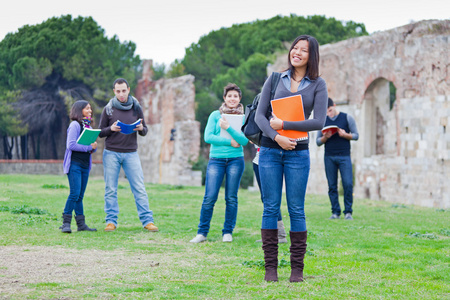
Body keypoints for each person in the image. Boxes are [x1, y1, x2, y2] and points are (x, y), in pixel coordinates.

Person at [255, 35, 328, 282]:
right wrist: (277, 137)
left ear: (312, 55)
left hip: (298, 152)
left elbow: (318, 121)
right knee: (270, 207)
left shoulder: (318, 84)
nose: (297, 52)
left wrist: (285, 124)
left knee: (297, 209)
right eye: (295, 48)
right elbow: (260, 117)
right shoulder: (275, 78)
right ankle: (270, 269)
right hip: (269, 150)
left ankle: (297, 270)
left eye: (303, 50)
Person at [190, 83, 248, 243]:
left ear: (239, 99)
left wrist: (228, 128)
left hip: (236, 160)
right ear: (224, 98)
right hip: (216, 160)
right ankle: (202, 233)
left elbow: (244, 140)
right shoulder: (215, 115)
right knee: (209, 197)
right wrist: (230, 142)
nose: (232, 99)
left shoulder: (243, 117)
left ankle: (227, 232)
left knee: (231, 197)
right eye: (229, 96)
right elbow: (208, 137)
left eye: (235, 96)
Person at [98, 78, 158, 232]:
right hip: (111, 153)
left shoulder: (136, 107)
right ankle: (111, 221)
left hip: (131, 154)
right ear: (114, 91)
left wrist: (139, 128)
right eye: (118, 91)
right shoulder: (108, 109)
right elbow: (100, 132)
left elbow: (144, 130)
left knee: (139, 187)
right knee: (110, 188)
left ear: (128, 89)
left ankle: (147, 221)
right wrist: (111, 129)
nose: (121, 94)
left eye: (124, 90)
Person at [316, 98, 359, 220]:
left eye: (330, 110)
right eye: (326, 112)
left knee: (348, 183)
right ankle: (335, 212)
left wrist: (345, 135)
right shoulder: (323, 121)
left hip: (344, 156)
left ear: (334, 106)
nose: (329, 114)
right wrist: (325, 137)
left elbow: (356, 135)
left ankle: (348, 212)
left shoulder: (347, 118)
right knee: (332, 185)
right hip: (329, 156)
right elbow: (318, 142)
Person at [60, 100, 98, 233]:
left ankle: (81, 225)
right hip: (74, 164)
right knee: (74, 194)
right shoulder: (75, 125)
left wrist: (94, 148)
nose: (90, 111)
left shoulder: (89, 127)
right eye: (87, 108)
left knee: (80, 196)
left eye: (90, 109)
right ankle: (66, 223)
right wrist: (88, 147)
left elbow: (90, 149)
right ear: (79, 110)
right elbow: (70, 145)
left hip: (84, 165)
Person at [252, 145, 287, 244]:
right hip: (259, 160)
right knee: (267, 199)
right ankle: (275, 234)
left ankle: (280, 234)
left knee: (271, 199)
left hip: (270, 160)